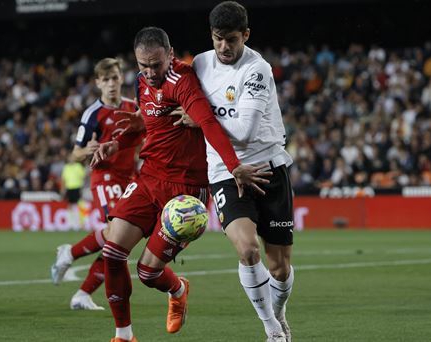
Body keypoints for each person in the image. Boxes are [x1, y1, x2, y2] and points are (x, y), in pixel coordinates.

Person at [90, 27, 271, 342]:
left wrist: (235, 167)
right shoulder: (142, 81)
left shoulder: (183, 81)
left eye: (155, 65)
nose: (149, 72)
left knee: (148, 272)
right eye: (143, 66)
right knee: (112, 252)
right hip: (149, 177)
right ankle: (123, 335)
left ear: (169, 54)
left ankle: (177, 288)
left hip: (187, 188)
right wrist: (117, 143)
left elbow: (208, 122)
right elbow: (153, 122)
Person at [178, 2, 296, 341]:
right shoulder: (200, 63)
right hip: (225, 170)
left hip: (268, 169)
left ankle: (280, 309)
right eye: (218, 39)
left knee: (280, 268)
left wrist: (202, 118)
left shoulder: (257, 69)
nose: (224, 48)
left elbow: (244, 130)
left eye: (231, 40)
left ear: (245, 35)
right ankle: (272, 329)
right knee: (247, 250)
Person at [50, 58, 142, 311]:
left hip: (130, 179)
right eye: (106, 79)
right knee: (116, 235)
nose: (111, 84)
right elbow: (74, 154)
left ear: (121, 78)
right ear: (98, 83)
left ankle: (82, 293)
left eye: (115, 78)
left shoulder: (133, 108)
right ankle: (70, 254)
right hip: (105, 177)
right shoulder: (93, 114)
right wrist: (86, 150)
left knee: (120, 242)